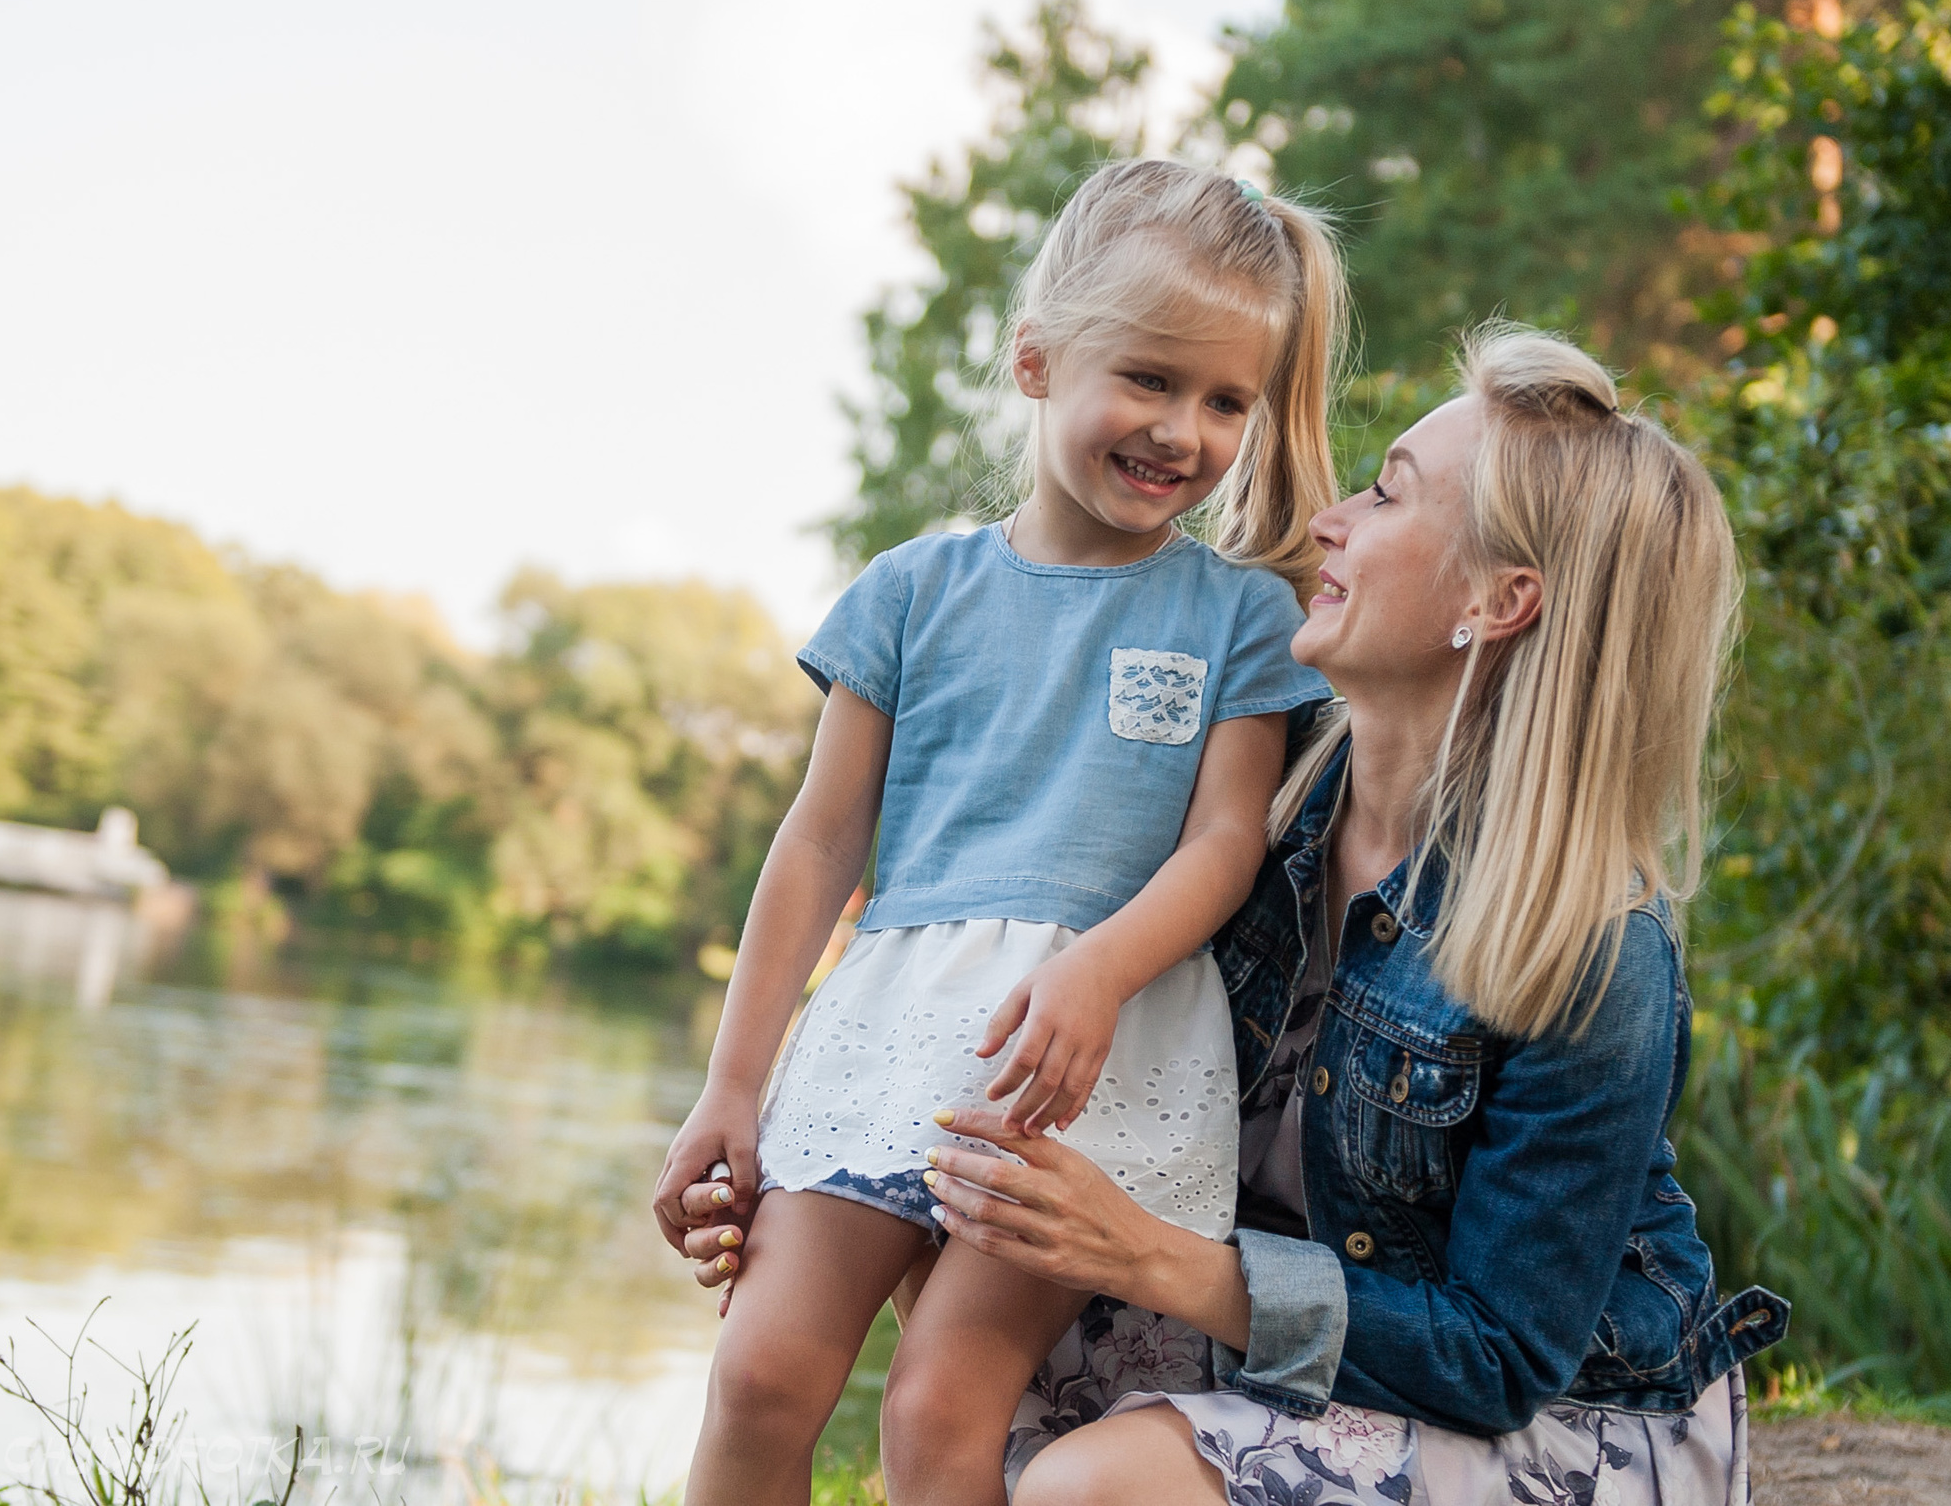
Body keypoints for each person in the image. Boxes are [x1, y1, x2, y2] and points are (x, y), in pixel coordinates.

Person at [672, 325, 1790, 1506]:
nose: (1330, 520)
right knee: (970, 1292)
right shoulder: (1257, 816)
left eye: (1387, 495)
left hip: (1550, 1427)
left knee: (1085, 1485)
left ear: (1497, 599)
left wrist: (1149, 1256)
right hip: (1295, 1342)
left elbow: (1495, 1360)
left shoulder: (1596, 953)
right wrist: (805, 1151)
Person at [651, 159, 1345, 1506]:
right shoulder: (910, 592)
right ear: (1036, 361)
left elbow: (1223, 846)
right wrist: (731, 1083)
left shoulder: (1238, 617)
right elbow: (816, 845)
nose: (1182, 430)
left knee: (940, 1406)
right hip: (888, 1025)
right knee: (759, 1375)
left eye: (1223, 401)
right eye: (1147, 378)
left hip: (1085, 1054)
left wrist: (1097, 966)